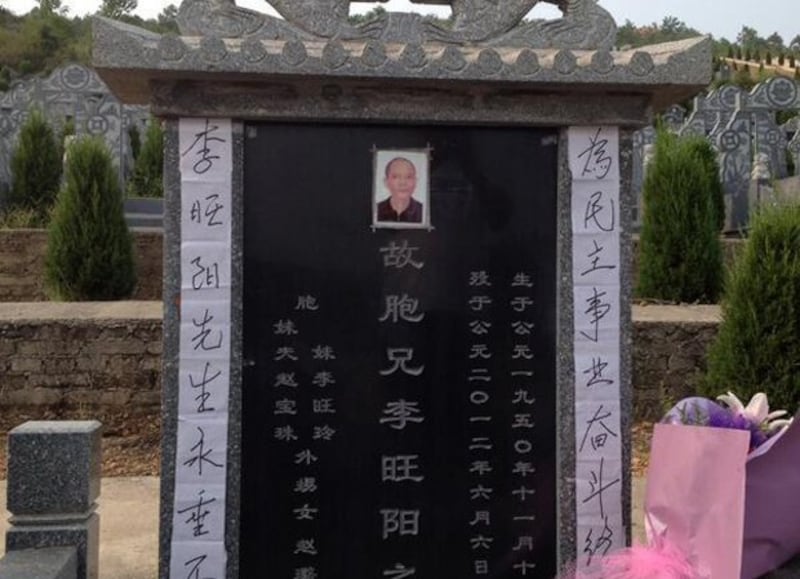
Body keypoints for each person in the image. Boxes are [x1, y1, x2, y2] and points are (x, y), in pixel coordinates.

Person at [376, 157, 423, 223]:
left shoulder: (424, 212)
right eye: (396, 177)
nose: (403, 183)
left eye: (408, 177)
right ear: (386, 182)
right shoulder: (375, 211)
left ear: (415, 181)